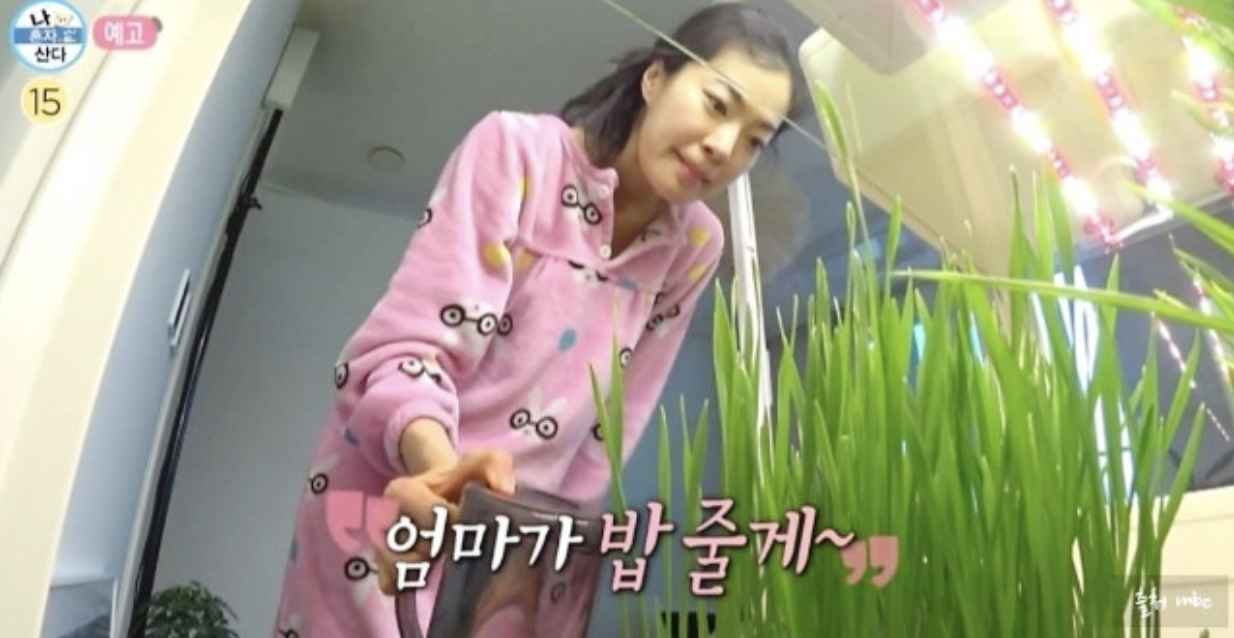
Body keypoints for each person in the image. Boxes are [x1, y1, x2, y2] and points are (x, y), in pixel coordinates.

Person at [272, 4, 804, 637]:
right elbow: (407, 353)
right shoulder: (518, 153)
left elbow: (608, 435)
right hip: (397, 502)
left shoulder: (693, 248)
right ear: (656, 78)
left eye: (754, 140)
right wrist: (445, 480)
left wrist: (542, 557)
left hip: (509, 546)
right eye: (717, 104)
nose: (723, 147)